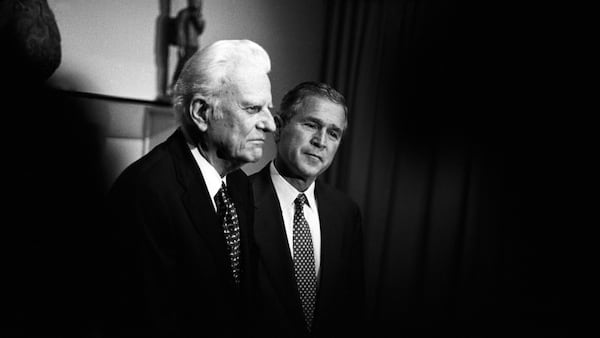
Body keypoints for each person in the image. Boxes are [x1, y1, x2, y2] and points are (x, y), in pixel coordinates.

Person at [105, 39, 276, 338]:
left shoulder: (237, 183)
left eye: (268, 109)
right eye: (253, 108)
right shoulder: (146, 191)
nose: (270, 125)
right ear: (201, 112)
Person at [250, 82, 365, 337]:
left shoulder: (346, 213)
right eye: (311, 125)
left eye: (333, 133)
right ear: (279, 128)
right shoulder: (239, 201)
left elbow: (352, 311)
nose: (320, 141)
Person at [171, 0, 205, 89]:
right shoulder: (184, 13)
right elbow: (180, 30)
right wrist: (181, 45)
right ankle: (174, 86)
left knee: (190, 67)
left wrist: (199, 19)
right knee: (182, 67)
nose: (197, 3)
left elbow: (200, 30)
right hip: (187, 45)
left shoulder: (197, 14)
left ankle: (183, 88)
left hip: (194, 45)